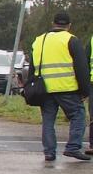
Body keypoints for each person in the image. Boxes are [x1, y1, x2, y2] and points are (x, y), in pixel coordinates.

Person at [25, 11, 90, 162]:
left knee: (48, 120)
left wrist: (29, 86)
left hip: (44, 89)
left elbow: (33, 67)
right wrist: (85, 90)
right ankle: (73, 148)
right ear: (69, 25)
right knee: (78, 115)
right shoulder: (71, 40)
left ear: (53, 23)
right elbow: (81, 67)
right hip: (67, 88)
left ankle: (49, 152)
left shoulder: (39, 40)